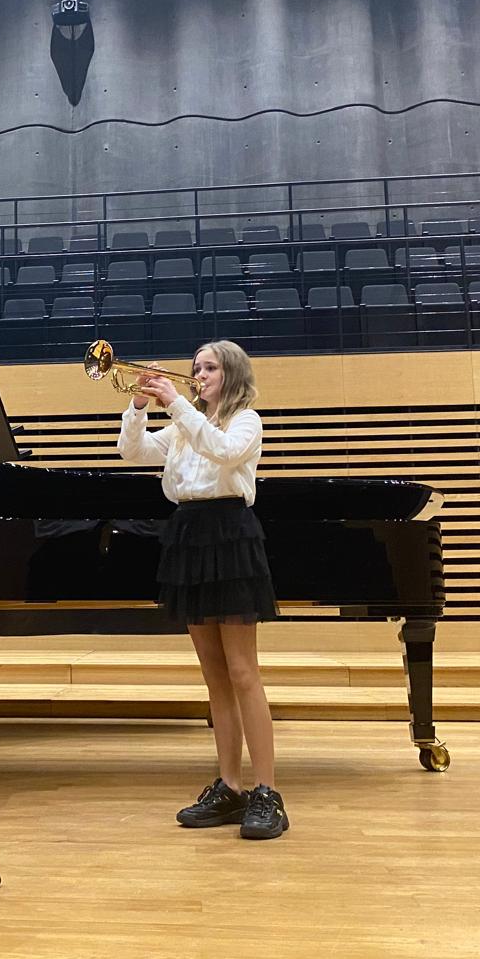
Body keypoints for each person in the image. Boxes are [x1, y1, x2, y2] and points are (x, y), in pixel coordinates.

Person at [117, 340, 287, 840]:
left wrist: (175, 403)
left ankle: (267, 792)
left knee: (243, 672)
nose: (199, 374)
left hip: (230, 535)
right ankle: (230, 787)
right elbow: (132, 451)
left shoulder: (246, 421)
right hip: (188, 536)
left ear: (230, 374)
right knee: (215, 677)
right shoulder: (182, 425)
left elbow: (224, 451)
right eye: (196, 367)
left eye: (209, 367)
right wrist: (139, 405)